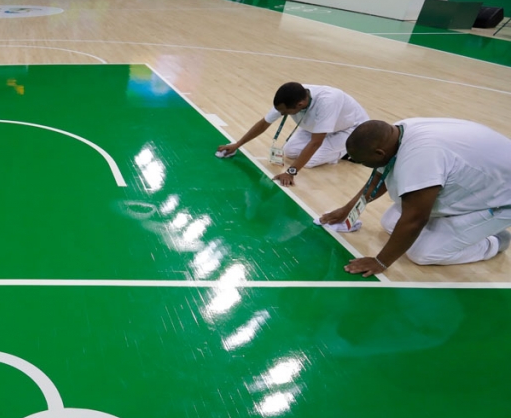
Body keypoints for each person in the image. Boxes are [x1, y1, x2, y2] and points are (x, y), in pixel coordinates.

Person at [319, 118, 511, 276]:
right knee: (390, 221)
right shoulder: (395, 133)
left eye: (362, 161)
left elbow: (416, 219)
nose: (360, 164)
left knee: (423, 254)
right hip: (481, 184)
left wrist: (381, 262)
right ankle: (464, 229)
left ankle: (493, 241)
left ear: (379, 153)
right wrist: (347, 210)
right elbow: (379, 178)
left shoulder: (420, 156)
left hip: (502, 201)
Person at [217, 82, 369, 186]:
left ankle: (346, 152)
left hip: (350, 130)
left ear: (300, 105)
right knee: (289, 152)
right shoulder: (292, 96)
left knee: (308, 162)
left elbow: (316, 142)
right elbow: (264, 123)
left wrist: (291, 172)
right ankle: (333, 147)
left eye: (285, 112)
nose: (281, 114)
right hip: (315, 125)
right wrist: (237, 144)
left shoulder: (328, 101)